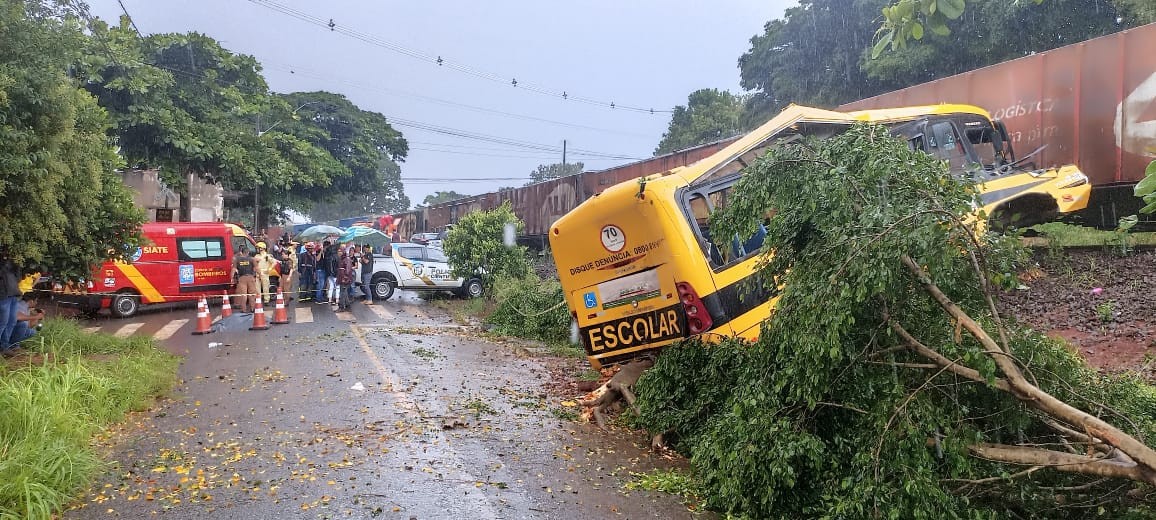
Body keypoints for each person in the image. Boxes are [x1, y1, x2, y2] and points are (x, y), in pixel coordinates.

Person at [0, 257, 22, 354]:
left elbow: (18, 279)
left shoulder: (13, 262)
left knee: (12, 321)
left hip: (14, 295)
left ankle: (4, 346)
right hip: (4, 295)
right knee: (2, 323)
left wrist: (17, 265)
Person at [231, 246, 257, 313]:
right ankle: (252, 308)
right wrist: (260, 275)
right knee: (252, 294)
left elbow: (233, 269)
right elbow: (257, 268)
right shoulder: (252, 259)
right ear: (248, 252)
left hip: (242, 278)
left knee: (243, 294)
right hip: (250, 277)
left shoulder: (237, 259)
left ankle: (244, 309)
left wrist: (231, 278)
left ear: (241, 252)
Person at [336, 246, 355, 311]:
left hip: (344, 279)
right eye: (338, 251)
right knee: (344, 292)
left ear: (343, 251)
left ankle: (341, 307)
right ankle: (347, 305)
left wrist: (345, 278)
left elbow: (348, 270)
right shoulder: (342, 258)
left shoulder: (346, 259)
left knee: (342, 292)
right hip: (342, 278)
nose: (338, 253)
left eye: (340, 251)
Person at [323, 241, 340, 305]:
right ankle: (337, 300)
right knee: (337, 287)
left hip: (329, 273)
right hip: (335, 273)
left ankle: (330, 299)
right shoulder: (336, 257)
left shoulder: (327, 256)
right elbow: (338, 266)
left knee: (331, 287)